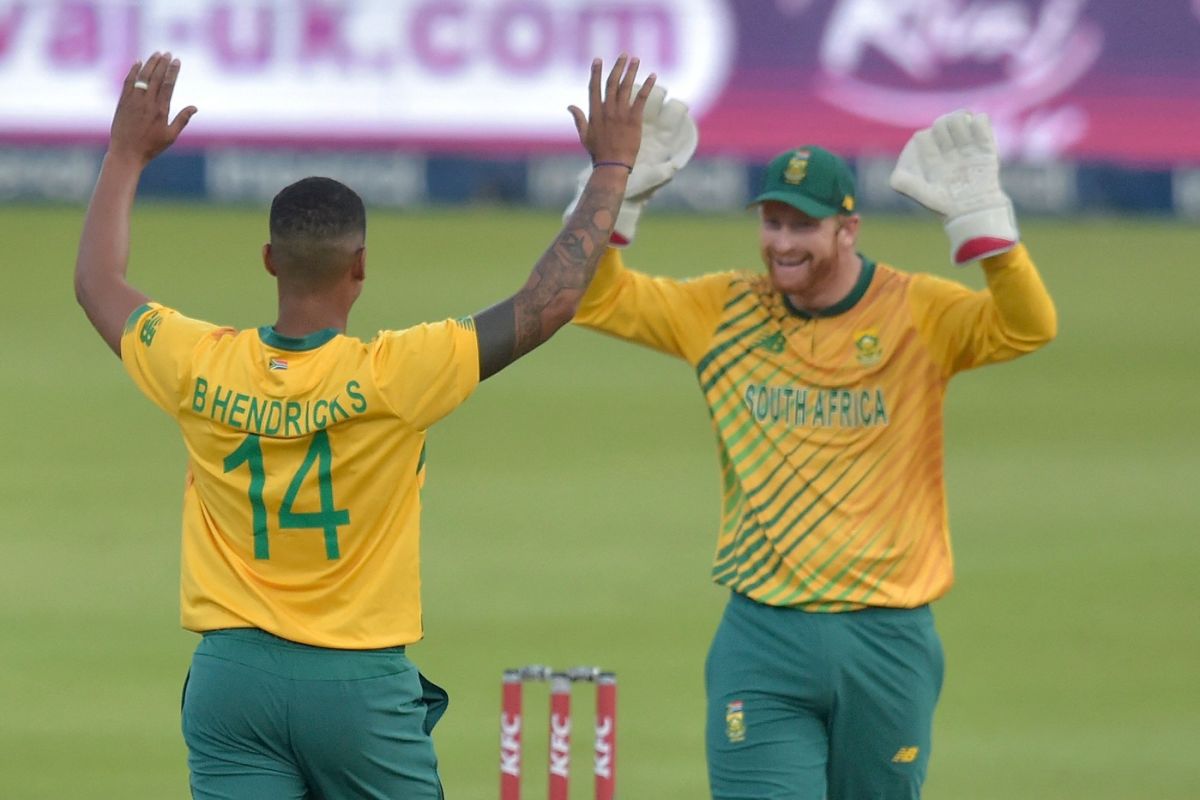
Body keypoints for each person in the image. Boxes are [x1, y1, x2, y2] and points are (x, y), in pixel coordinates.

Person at [73, 50, 655, 799]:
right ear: (361, 266)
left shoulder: (198, 363)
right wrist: (613, 166)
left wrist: (125, 154)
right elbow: (550, 301)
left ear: (268, 261)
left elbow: (97, 283)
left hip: (231, 681)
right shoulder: (396, 374)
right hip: (356, 680)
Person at [570, 110, 1057, 799]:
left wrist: (987, 225)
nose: (782, 243)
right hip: (764, 635)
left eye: (803, 226)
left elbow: (1027, 326)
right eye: (772, 223)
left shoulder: (915, 311)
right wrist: (613, 196)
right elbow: (590, 297)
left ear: (847, 229)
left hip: (888, 640)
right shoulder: (724, 309)